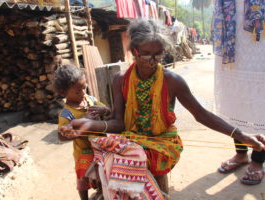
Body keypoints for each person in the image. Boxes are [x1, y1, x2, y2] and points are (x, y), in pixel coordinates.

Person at [59, 19, 265, 194]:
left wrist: (241, 136)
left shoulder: (172, 80)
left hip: (162, 144)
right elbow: (118, 123)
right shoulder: (120, 79)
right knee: (106, 169)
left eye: (159, 54)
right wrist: (86, 125)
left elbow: (201, 115)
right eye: (147, 54)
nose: (154, 61)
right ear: (134, 51)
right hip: (131, 139)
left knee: (147, 177)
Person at [53, 64, 111, 200]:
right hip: (83, 152)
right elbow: (62, 136)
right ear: (63, 93)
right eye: (78, 92)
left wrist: (105, 110)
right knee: (83, 179)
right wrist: (83, 119)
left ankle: (103, 194)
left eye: (84, 88)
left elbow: (107, 110)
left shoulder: (90, 100)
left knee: (102, 175)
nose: (83, 93)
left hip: (101, 147)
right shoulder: (66, 114)